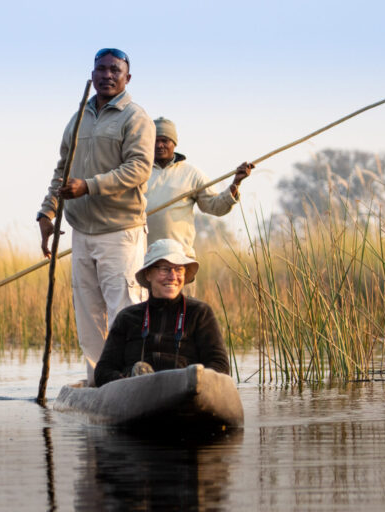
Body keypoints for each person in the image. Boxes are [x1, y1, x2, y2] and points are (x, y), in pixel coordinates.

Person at [37, 48, 155, 385]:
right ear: (91, 76)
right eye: (100, 69)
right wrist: (47, 212)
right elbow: (63, 170)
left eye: (115, 70)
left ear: (127, 78)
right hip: (81, 232)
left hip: (121, 230)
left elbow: (137, 169)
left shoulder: (135, 117)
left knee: (125, 310)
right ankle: (99, 382)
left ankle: (131, 382)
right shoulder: (78, 119)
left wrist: (88, 186)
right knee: (89, 316)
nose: (107, 75)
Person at [94, 239, 230, 387]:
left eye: (179, 269)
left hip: (185, 392)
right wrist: (127, 380)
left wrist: (193, 381)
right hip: (137, 393)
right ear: (148, 274)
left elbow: (220, 365)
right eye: (165, 269)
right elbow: (103, 371)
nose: (172, 277)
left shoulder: (199, 313)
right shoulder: (127, 318)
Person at [146, 117, 253, 254]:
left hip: (180, 256)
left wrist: (236, 183)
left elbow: (215, 207)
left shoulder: (191, 174)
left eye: (164, 140)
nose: (159, 145)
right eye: (155, 140)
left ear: (174, 143)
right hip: (144, 257)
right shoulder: (137, 171)